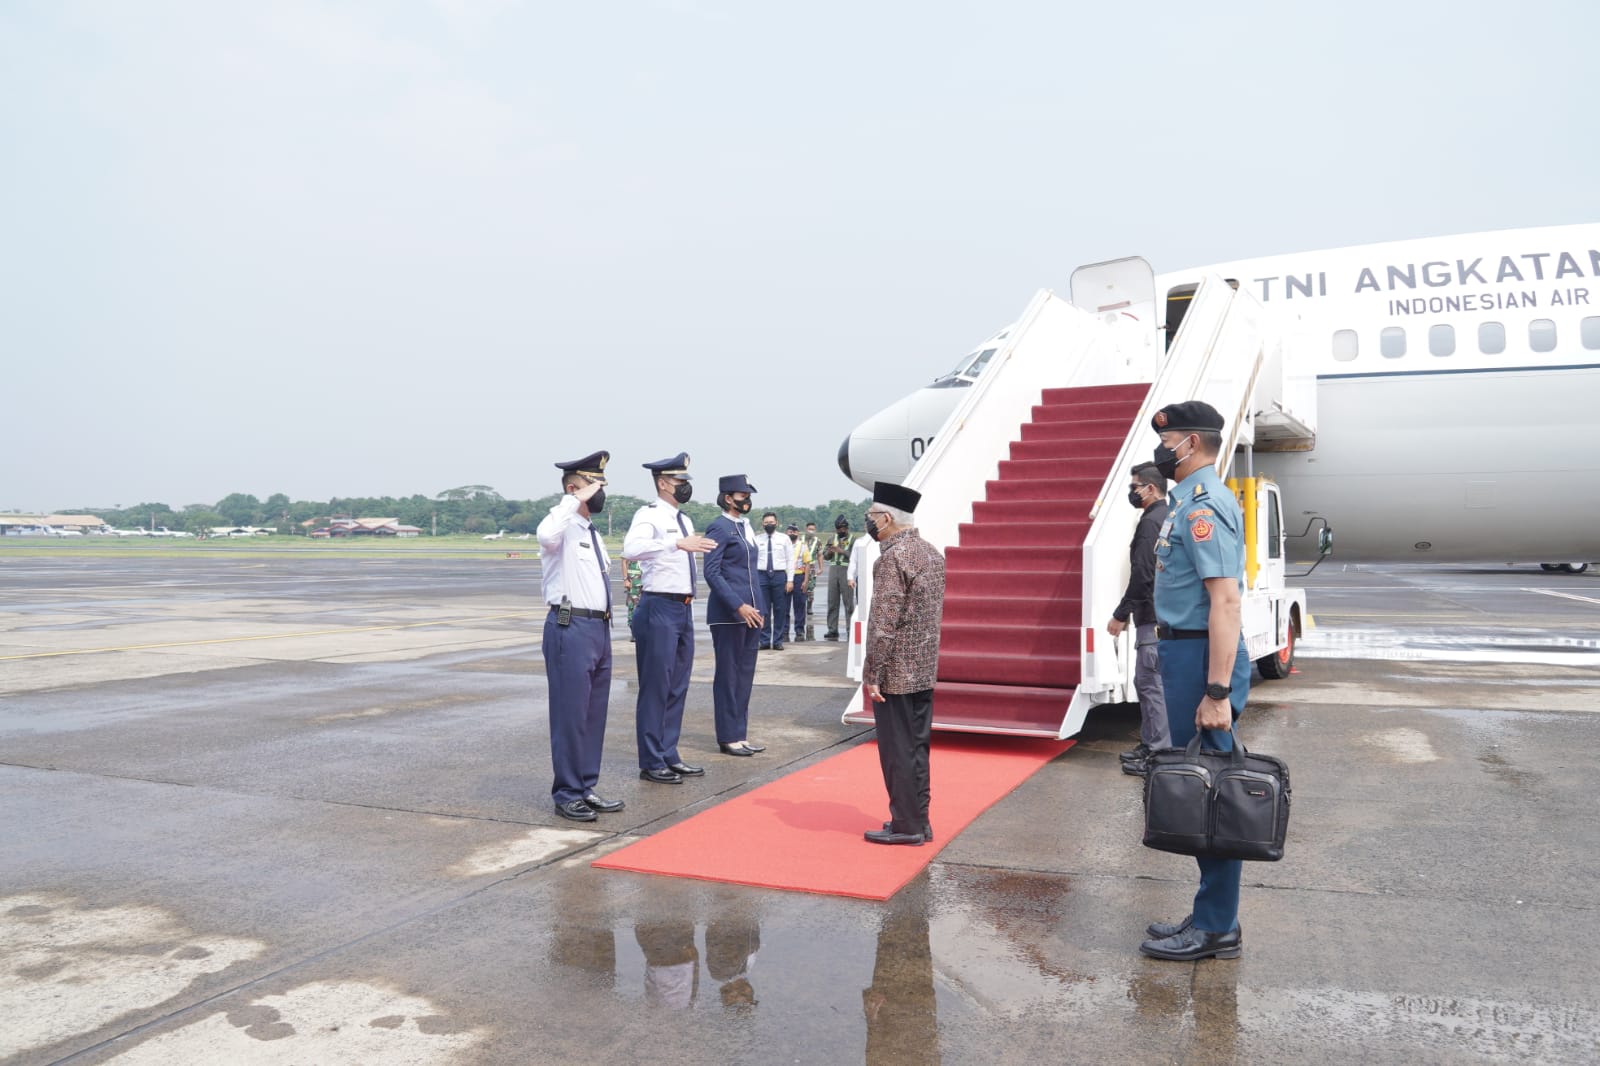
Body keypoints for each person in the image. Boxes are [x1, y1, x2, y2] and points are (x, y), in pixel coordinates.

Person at [1139, 400, 1254, 962]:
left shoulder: (1205, 507)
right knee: (1204, 787)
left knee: (1215, 794)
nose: (1163, 451)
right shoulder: (1189, 503)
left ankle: (1216, 927)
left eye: (1170, 441)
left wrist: (1216, 693)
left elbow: (1225, 601)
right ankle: (1212, 912)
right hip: (1185, 652)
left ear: (1191, 443)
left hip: (1202, 659)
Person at [536, 451, 624, 822]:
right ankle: (567, 792)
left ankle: (586, 786)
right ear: (576, 488)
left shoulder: (590, 532)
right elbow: (545, 533)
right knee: (571, 716)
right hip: (569, 628)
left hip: (598, 629)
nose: (602, 491)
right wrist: (573, 499)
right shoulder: (561, 527)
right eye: (595, 484)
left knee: (593, 715)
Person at [623, 452, 716, 784]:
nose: (684, 488)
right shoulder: (648, 515)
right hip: (658, 606)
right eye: (680, 482)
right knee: (655, 687)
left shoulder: (685, 520)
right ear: (663, 483)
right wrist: (675, 544)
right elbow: (631, 549)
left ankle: (668, 752)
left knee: (678, 685)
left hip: (683, 608)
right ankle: (651, 760)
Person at [861, 482, 945, 846]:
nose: (869, 522)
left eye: (870, 516)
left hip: (896, 672)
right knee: (917, 748)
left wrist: (872, 673)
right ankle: (919, 819)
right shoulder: (931, 553)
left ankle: (906, 825)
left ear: (886, 517)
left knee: (897, 751)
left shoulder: (892, 558)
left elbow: (883, 622)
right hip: (924, 668)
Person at [1108, 461, 1171, 777]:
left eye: (1135, 486)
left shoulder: (1150, 523)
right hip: (1163, 614)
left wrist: (1121, 614)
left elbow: (1143, 574)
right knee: (1150, 684)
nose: (1132, 492)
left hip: (1152, 616)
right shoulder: (1165, 516)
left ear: (1150, 487)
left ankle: (1156, 753)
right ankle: (1151, 746)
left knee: (1150, 685)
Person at [703, 475, 768, 757]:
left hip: (753, 614)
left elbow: (752, 574)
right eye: (742, 495)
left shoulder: (745, 527)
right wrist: (738, 605)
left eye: (748, 494)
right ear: (728, 498)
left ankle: (739, 734)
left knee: (744, 676)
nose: (747, 500)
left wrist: (759, 608)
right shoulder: (719, 527)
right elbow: (712, 572)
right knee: (728, 676)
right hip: (730, 614)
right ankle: (728, 736)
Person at [753, 511, 795, 650]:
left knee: (780, 609)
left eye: (771, 522)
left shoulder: (784, 539)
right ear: (762, 524)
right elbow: (752, 561)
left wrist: (790, 580)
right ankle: (764, 640)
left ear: (776, 523)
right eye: (766, 523)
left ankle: (778, 640)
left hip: (779, 576)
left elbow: (790, 560)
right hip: (762, 576)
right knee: (763, 609)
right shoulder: (757, 539)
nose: (769, 525)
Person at [845, 525, 881, 681]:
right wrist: (850, 577)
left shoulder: (882, 541)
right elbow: (853, 561)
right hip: (863, 581)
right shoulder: (860, 542)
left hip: (878, 580)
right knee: (861, 617)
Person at [821, 514, 857, 640]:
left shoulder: (853, 540)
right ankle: (832, 629)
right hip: (833, 571)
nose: (841, 530)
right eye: (839, 528)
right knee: (832, 602)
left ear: (847, 528)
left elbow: (855, 556)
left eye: (843, 528)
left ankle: (850, 629)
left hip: (846, 571)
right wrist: (830, 551)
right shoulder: (832, 538)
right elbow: (825, 556)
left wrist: (842, 551)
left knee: (848, 602)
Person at [785, 523, 813, 643]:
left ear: (798, 533)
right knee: (784, 606)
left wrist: (806, 580)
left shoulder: (802, 545)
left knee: (800, 606)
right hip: (785, 578)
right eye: (790, 531)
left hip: (799, 577)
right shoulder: (783, 544)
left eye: (794, 531)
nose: (791, 533)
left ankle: (799, 630)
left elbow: (807, 564)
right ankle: (784, 631)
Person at [799, 522, 822, 639]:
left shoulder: (817, 541)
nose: (811, 531)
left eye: (813, 529)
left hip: (812, 567)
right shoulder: (800, 539)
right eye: (809, 529)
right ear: (806, 529)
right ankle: (801, 606)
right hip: (801, 567)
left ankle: (809, 607)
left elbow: (819, 555)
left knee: (811, 589)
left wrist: (821, 567)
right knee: (801, 588)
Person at [622, 558, 643, 642]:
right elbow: (624, 561)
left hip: (646, 580)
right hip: (633, 581)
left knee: (646, 607)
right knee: (632, 606)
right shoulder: (630, 544)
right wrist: (625, 579)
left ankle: (644, 631)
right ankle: (634, 632)